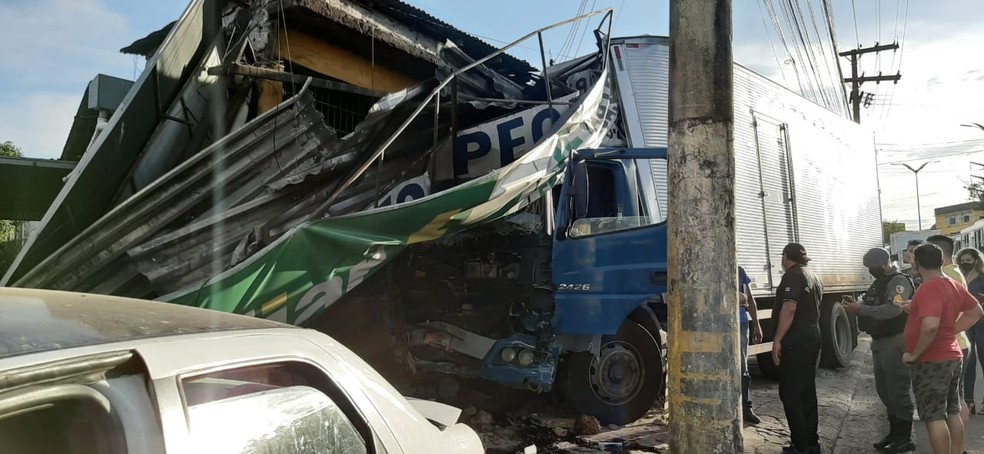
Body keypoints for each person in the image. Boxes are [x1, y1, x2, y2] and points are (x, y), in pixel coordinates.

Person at [902, 243, 983, 454]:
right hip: (953, 354)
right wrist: (951, 330)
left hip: (932, 359)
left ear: (918, 263)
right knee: (953, 409)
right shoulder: (952, 284)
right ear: (941, 261)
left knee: (933, 416)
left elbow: (930, 326)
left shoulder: (929, 287)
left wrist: (914, 353)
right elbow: (976, 311)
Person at [841, 247, 916, 453]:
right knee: (885, 391)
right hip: (880, 341)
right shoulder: (880, 282)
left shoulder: (899, 282)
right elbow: (874, 303)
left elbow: (894, 309)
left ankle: (904, 437)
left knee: (898, 390)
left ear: (884, 264)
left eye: (873, 267)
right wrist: (858, 304)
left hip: (896, 341)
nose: (871, 271)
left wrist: (861, 309)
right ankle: (893, 433)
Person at [772, 243, 823, 454]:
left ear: (786, 257)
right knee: (807, 392)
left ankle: (801, 445)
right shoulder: (812, 275)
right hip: (811, 337)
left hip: (796, 340)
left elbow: (790, 308)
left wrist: (777, 339)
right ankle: (811, 443)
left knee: (791, 393)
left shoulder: (792, 276)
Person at [927, 234, 973, 436]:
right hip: (957, 341)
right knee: (956, 398)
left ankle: (956, 445)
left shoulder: (948, 274)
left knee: (952, 402)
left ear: (938, 252)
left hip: (951, 343)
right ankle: (957, 446)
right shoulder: (953, 271)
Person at [956, 247, 984, 415]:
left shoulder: (982, 278)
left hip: (982, 323)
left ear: (976, 261)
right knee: (968, 362)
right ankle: (969, 401)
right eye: (963, 260)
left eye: (969, 260)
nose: (965, 263)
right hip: (965, 323)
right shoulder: (958, 278)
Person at [739, 265, 763, 425]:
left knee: (742, 367)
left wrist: (757, 324)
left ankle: (746, 408)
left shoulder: (739, 271)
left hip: (740, 323)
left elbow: (750, 299)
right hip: (719, 325)